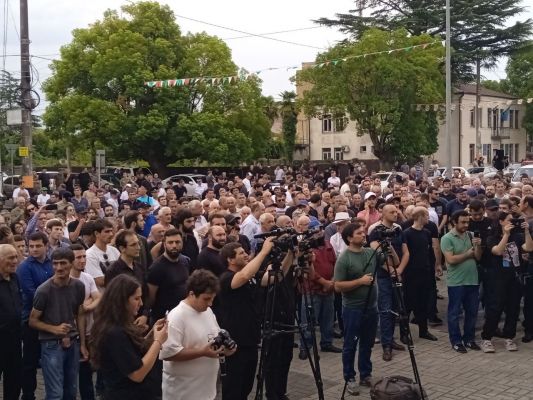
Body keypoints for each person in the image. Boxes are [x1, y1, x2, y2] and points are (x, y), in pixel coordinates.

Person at [160, 269, 235, 400]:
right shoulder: (177, 316)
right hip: (183, 393)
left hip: (207, 392)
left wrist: (225, 349)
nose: (210, 303)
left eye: (212, 299)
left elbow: (214, 339)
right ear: (191, 294)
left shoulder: (208, 311)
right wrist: (202, 352)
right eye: (206, 299)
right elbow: (168, 353)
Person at [90, 275, 168, 400]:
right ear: (121, 300)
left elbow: (134, 350)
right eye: (136, 298)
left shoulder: (120, 324)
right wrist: (158, 341)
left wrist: (152, 335)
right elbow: (137, 374)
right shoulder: (114, 333)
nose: (141, 303)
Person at [334, 222, 387, 395]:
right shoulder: (344, 258)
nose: (363, 235)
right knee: (350, 344)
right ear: (349, 238)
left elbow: (391, 261)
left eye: (364, 232)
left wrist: (389, 246)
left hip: (371, 308)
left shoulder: (370, 253)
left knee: (367, 343)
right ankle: (349, 377)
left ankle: (366, 374)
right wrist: (360, 282)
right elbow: (338, 286)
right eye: (359, 233)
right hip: (353, 309)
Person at [218, 239, 274, 400]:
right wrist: (263, 252)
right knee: (233, 386)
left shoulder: (251, 275)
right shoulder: (226, 278)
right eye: (241, 253)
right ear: (230, 259)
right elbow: (243, 276)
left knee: (246, 385)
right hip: (235, 342)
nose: (246, 255)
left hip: (251, 338)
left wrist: (291, 255)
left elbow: (270, 279)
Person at [29, 248, 88, 400]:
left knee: (71, 391)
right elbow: (33, 320)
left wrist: (82, 343)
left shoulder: (79, 286)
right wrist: (53, 329)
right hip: (51, 345)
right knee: (55, 394)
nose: (59, 268)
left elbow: (80, 314)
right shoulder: (44, 290)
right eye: (55, 264)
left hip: (73, 344)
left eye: (63, 263)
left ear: (71, 264)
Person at [480, 212, 533, 353]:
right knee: (495, 308)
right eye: (510, 220)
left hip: (514, 277)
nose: (513, 223)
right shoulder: (492, 237)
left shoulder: (518, 236)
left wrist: (527, 231)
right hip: (497, 277)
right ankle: (487, 338)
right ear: (501, 222)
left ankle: (509, 337)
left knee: (513, 308)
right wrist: (506, 235)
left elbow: (529, 248)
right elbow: (497, 251)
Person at [17, 232, 53, 400]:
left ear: (46, 246)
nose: (34, 249)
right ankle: (29, 394)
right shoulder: (24, 267)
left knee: (50, 360)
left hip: (51, 318)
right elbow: (32, 293)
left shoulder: (52, 263)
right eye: (31, 246)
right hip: (30, 319)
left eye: (38, 246)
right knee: (30, 361)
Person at [441, 210, 482, 353]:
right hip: (456, 282)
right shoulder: (447, 238)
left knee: (472, 312)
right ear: (454, 222)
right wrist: (467, 254)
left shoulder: (470, 235)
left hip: (472, 280)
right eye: (463, 222)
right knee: (454, 313)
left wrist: (477, 246)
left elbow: (478, 257)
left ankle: (469, 339)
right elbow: (450, 260)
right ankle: (456, 341)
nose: (466, 225)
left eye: (467, 222)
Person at [401, 207, 438, 341]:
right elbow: (405, 253)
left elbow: (429, 251)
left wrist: (434, 266)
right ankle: (404, 333)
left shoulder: (427, 233)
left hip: (425, 272)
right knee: (408, 304)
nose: (428, 218)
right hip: (411, 274)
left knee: (423, 302)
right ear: (420, 216)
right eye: (426, 216)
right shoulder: (407, 234)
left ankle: (424, 330)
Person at [69, 244, 100, 400]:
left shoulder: (87, 278)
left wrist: (87, 307)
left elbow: (98, 299)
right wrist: (84, 305)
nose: (82, 260)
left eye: (84, 256)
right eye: (78, 257)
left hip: (88, 332)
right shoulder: (67, 280)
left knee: (86, 375)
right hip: (71, 334)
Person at [146, 229, 190, 323]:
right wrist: (146, 315)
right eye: (170, 242)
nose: (174, 245)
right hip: (164, 318)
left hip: (183, 315)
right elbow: (150, 297)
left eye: (177, 242)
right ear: (164, 244)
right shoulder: (156, 268)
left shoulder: (185, 261)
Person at [0, 244, 23, 400]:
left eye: (16, 257)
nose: (15, 261)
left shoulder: (15, 278)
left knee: (14, 381)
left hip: (14, 341)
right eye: (11, 258)